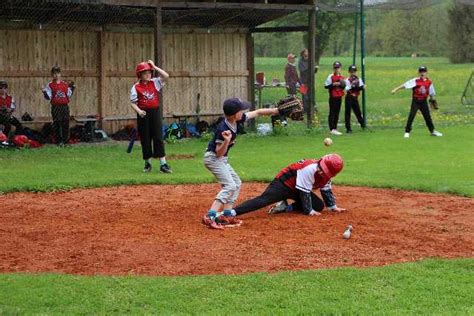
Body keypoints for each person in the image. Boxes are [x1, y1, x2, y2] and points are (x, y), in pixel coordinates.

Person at [204, 154, 346, 229]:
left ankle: (286, 207)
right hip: (283, 184)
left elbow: (326, 189)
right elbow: (304, 192)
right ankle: (227, 213)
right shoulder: (310, 168)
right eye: (321, 167)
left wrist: (333, 206)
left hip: (298, 188)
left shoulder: (326, 176)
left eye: (325, 171)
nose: (321, 171)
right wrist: (308, 211)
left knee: (319, 205)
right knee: (264, 200)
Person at [202, 98, 279, 229]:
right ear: (234, 114)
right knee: (230, 185)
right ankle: (210, 216)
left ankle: (226, 215)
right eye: (240, 110)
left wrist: (277, 111)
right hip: (213, 159)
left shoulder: (237, 119)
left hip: (221, 159)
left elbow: (258, 112)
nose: (243, 112)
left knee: (236, 183)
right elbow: (218, 152)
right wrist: (227, 141)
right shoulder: (224, 128)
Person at [130, 60, 172, 173]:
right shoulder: (136, 87)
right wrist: (139, 111)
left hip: (155, 112)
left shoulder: (154, 82)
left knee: (158, 137)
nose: (148, 75)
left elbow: (166, 76)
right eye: (145, 73)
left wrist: (154, 66)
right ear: (140, 75)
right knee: (145, 139)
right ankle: (147, 163)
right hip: (143, 114)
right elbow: (133, 102)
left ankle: (163, 164)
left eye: (149, 72)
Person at [391, 66, 442, 138]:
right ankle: (407, 132)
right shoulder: (415, 80)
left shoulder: (429, 82)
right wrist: (396, 89)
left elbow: (431, 92)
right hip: (416, 101)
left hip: (424, 102)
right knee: (411, 115)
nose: (422, 73)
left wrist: (432, 100)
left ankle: (432, 131)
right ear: (418, 72)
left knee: (427, 117)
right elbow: (405, 85)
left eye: (424, 71)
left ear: (426, 72)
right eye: (421, 71)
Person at [42, 66, 75, 146]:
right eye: (54, 73)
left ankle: (66, 141)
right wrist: (44, 92)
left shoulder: (64, 84)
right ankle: (59, 141)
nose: (56, 75)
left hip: (64, 106)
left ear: (60, 74)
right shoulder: (50, 85)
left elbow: (69, 94)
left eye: (58, 73)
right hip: (56, 106)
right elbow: (48, 97)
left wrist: (73, 88)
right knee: (57, 123)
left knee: (65, 123)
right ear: (52, 75)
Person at [324, 61, 345, 136]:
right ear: (333, 69)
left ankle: (335, 128)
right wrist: (333, 84)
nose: (337, 69)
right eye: (335, 68)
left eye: (338, 68)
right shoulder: (331, 76)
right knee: (332, 113)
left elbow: (344, 86)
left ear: (340, 68)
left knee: (337, 112)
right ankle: (332, 128)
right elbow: (326, 86)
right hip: (333, 97)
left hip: (339, 97)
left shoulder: (342, 77)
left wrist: (341, 84)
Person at [344, 65, 366, 133]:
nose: (353, 73)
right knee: (348, 113)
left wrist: (361, 87)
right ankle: (348, 128)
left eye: (354, 71)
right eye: (351, 72)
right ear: (349, 72)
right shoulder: (347, 80)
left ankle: (362, 125)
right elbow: (349, 88)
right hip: (349, 97)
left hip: (355, 98)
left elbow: (361, 87)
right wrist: (358, 87)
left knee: (358, 112)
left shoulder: (359, 79)